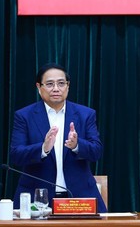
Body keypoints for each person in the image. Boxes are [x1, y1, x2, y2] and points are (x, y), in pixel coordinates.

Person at [9, 63, 107, 212]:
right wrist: (43, 148)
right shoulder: (24, 116)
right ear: (38, 87)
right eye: (49, 84)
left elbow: (97, 152)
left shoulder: (86, 114)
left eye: (61, 83)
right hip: (37, 198)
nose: (56, 88)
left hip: (78, 197)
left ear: (68, 86)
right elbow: (16, 155)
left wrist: (76, 145)